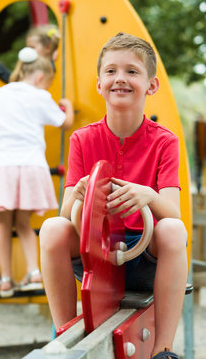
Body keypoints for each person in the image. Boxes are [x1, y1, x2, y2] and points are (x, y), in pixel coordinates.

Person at [39, 32, 187, 359]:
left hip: (144, 256)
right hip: (97, 255)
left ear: (151, 85)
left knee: (173, 230)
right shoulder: (82, 139)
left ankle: (164, 349)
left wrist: (147, 195)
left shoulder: (165, 142)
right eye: (111, 71)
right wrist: (78, 195)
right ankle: (67, 337)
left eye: (132, 71)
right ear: (99, 84)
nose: (120, 78)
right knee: (51, 228)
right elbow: (66, 215)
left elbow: (173, 213)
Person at [0, 47, 74, 297]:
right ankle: (34, 272)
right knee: (24, 224)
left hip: (3, 166)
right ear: (39, 78)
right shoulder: (41, 97)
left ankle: (5, 279)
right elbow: (64, 123)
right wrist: (67, 106)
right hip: (32, 166)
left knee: (3, 225)